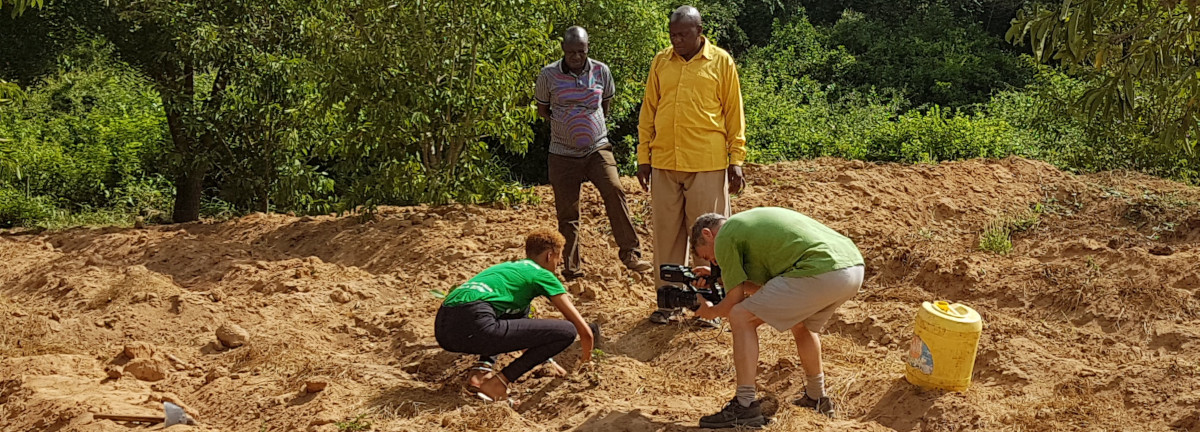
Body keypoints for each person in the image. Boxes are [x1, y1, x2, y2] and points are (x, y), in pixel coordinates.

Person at [688, 208, 865, 427]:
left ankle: (744, 406)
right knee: (802, 325)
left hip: (820, 269)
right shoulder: (749, 227)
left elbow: (734, 302)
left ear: (707, 234)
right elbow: (770, 288)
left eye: (708, 256)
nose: (713, 262)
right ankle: (817, 397)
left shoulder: (725, 235)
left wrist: (709, 311)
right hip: (851, 268)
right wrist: (723, 280)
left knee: (741, 316)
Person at [636, 6, 746, 325]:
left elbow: (733, 114)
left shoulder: (721, 61)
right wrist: (644, 157)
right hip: (665, 162)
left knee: (709, 238)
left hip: (707, 163)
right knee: (667, 235)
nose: (676, 40)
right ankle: (668, 301)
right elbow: (648, 112)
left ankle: (709, 308)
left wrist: (735, 159)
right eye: (672, 34)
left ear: (699, 31)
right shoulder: (661, 61)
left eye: (683, 34)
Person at [536, 26, 652, 280]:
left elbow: (605, 104)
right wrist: (567, 125)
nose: (576, 57)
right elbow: (543, 109)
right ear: (563, 50)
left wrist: (587, 125)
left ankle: (631, 254)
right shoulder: (548, 75)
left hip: (597, 148)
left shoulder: (601, 70)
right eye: (571, 52)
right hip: (562, 153)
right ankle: (571, 268)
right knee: (568, 212)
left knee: (615, 189)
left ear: (588, 48)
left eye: (581, 51)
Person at [434, 228, 595, 404]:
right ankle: (498, 384)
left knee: (517, 312)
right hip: (476, 324)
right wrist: (586, 365)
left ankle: (480, 374)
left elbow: (522, 333)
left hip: (444, 329)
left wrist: (548, 363)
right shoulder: (541, 274)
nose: (559, 263)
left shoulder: (507, 269)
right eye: (559, 257)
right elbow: (583, 331)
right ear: (550, 255)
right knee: (567, 331)